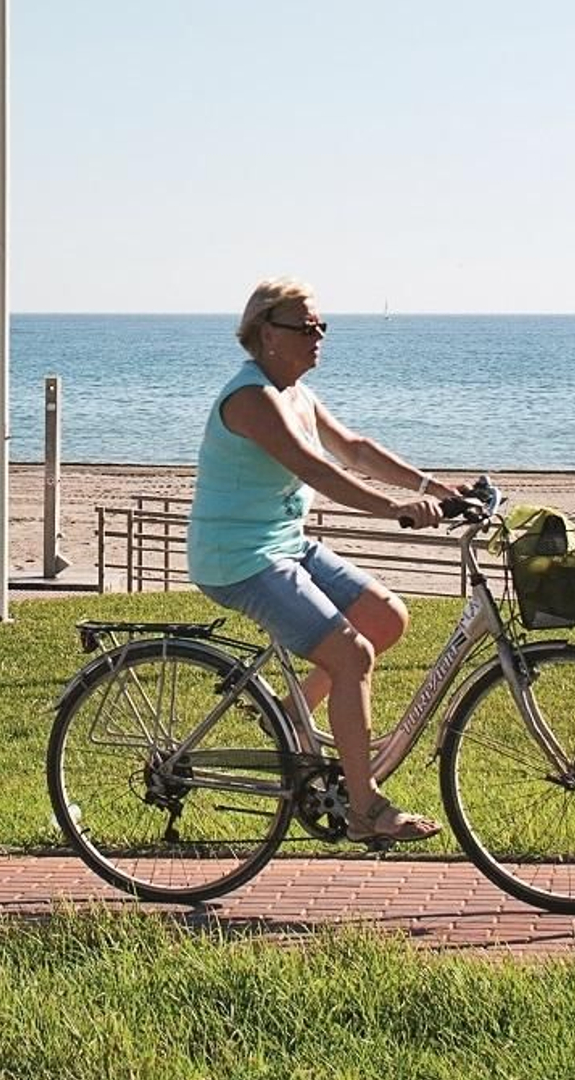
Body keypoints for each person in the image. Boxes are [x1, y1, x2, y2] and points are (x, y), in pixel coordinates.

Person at [186, 277, 462, 844]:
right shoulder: (252, 398)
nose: (318, 337)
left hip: (284, 543)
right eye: (304, 328)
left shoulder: (295, 393)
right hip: (239, 556)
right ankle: (364, 809)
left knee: (386, 619)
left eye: (321, 327)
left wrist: (434, 486)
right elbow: (317, 471)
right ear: (266, 334)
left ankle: (291, 712)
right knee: (351, 655)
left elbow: (353, 449)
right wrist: (396, 510)